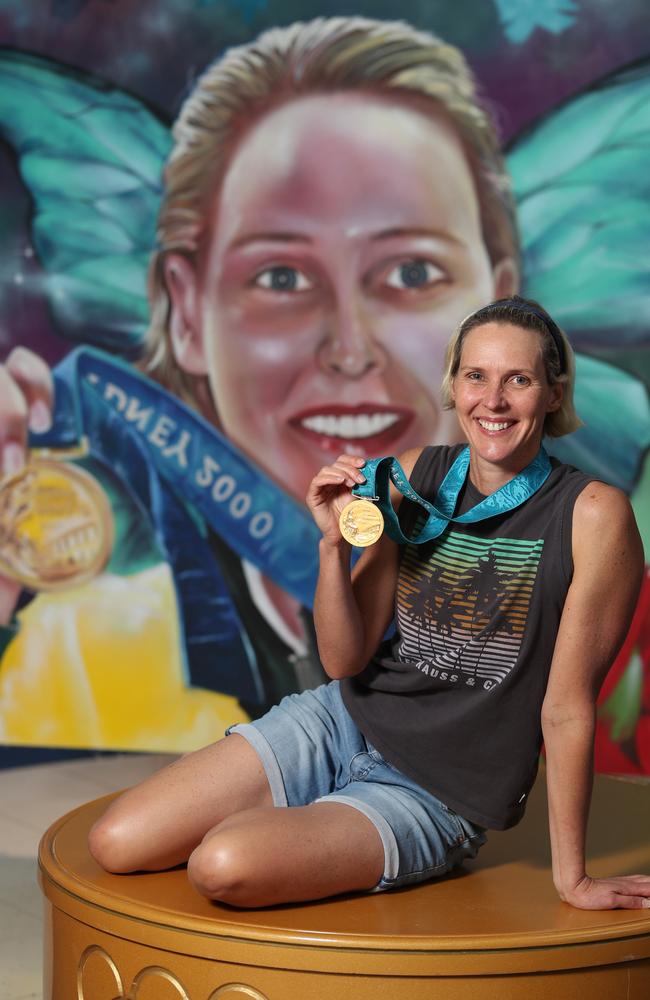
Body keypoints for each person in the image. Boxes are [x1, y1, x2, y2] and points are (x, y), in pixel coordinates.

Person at [0, 17, 521, 748]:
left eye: (412, 273)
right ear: (187, 313)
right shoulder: (78, 649)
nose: (349, 350)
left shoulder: (562, 576)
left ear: (502, 307)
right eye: (280, 277)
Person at [87, 296, 650, 911]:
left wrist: (574, 878)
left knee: (221, 863)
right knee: (116, 842)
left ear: (552, 392)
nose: (493, 400)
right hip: (344, 721)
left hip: (436, 791)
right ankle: (309, 814)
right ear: (454, 385)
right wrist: (333, 547)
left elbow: (566, 709)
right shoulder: (414, 477)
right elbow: (342, 659)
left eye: (518, 379)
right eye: (476, 376)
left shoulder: (593, 516)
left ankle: (329, 827)